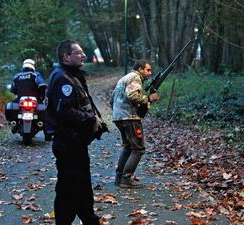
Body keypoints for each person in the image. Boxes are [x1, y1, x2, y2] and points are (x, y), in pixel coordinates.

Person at [45, 40, 101, 225]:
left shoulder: (71, 74)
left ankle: (90, 219)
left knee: (81, 187)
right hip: (68, 143)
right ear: (66, 57)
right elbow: (65, 111)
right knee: (68, 191)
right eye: (79, 52)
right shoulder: (62, 78)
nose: (84, 55)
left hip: (76, 143)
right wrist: (90, 119)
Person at [111, 59, 160, 188]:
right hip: (129, 117)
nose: (150, 73)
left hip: (119, 117)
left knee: (128, 147)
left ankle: (119, 177)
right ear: (140, 69)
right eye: (148, 70)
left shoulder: (126, 77)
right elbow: (132, 96)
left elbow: (113, 97)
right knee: (138, 148)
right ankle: (126, 179)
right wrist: (149, 98)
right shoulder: (135, 77)